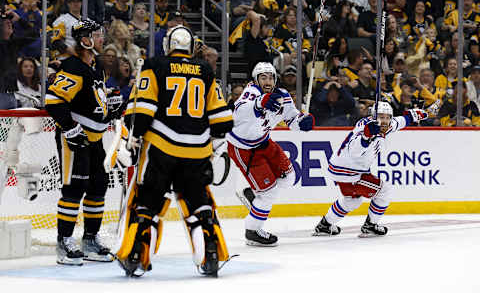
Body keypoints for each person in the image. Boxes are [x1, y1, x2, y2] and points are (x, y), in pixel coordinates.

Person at [115, 25, 234, 277]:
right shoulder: (205, 69)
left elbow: (142, 109)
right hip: (198, 150)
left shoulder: (154, 65)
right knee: (199, 203)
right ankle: (209, 254)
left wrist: (132, 138)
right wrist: (216, 143)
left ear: (168, 45)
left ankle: (136, 254)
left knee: (147, 201)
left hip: (161, 147)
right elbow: (222, 118)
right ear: (190, 46)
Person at [45, 20, 121, 266]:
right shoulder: (72, 66)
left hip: (96, 139)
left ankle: (90, 239)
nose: (101, 39)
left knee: (98, 187)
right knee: (74, 189)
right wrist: (69, 128)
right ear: (85, 40)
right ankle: (64, 242)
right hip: (75, 139)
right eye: (97, 35)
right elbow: (53, 99)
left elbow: (91, 101)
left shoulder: (96, 66)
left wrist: (111, 104)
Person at [226, 62, 314, 246]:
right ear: (256, 79)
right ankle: (252, 230)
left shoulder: (282, 95)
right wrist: (258, 103)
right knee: (270, 193)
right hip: (244, 148)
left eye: (271, 77)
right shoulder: (251, 92)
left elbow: (292, 119)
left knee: (289, 177)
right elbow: (238, 112)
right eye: (263, 77)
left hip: (264, 142)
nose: (267, 81)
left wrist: (302, 122)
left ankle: (255, 195)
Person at [313, 102, 428, 237]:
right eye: (381, 117)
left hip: (343, 169)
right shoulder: (365, 129)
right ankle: (370, 226)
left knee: (352, 200)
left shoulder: (386, 125)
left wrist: (415, 115)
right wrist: (366, 137)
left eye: (387, 117)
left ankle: (325, 225)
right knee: (384, 190)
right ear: (373, 116)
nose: (384, 121)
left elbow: (400, 121)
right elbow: (354, 150)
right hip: (349, 172)